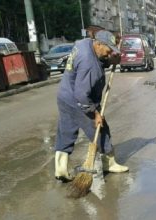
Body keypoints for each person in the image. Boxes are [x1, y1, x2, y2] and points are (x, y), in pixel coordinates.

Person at [54, 30, 129, 182]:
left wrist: (110, 61)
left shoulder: (84, 44)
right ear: (99, 43)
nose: (109, 53)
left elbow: (98, 59)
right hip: (79, 100)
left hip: (64, 96)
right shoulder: (89, 64)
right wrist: (95, 114)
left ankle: (60, 168)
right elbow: (82, 95)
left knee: (66, 131)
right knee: (101, 129)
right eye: (108, 49)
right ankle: (110, 163)